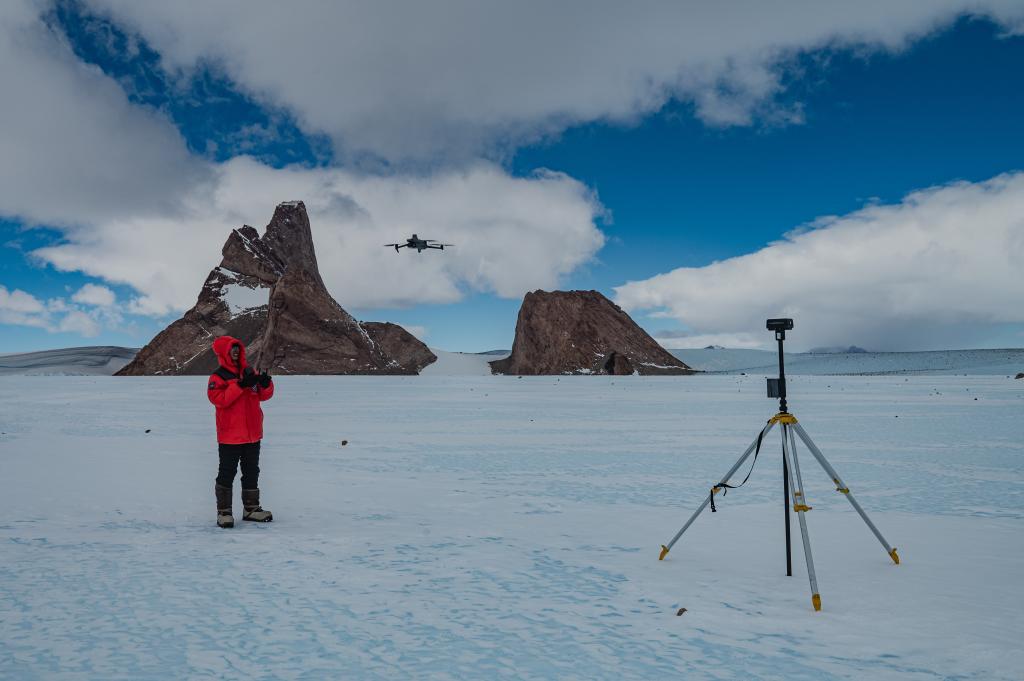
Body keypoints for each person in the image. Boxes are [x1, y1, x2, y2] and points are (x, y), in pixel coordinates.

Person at [207, 335, 274, 528]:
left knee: (252, 471)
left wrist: (265, 384)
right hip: (230, 435)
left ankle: (251, 509)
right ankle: (224, 512)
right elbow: (219, 399)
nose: (235, 352)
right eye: (232, 349)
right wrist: (240, 385)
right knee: (227, 472)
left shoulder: (249, 371)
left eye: (237, 348)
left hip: (252, 434)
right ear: (224, 352)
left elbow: (263, 395)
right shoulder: (218, 377)